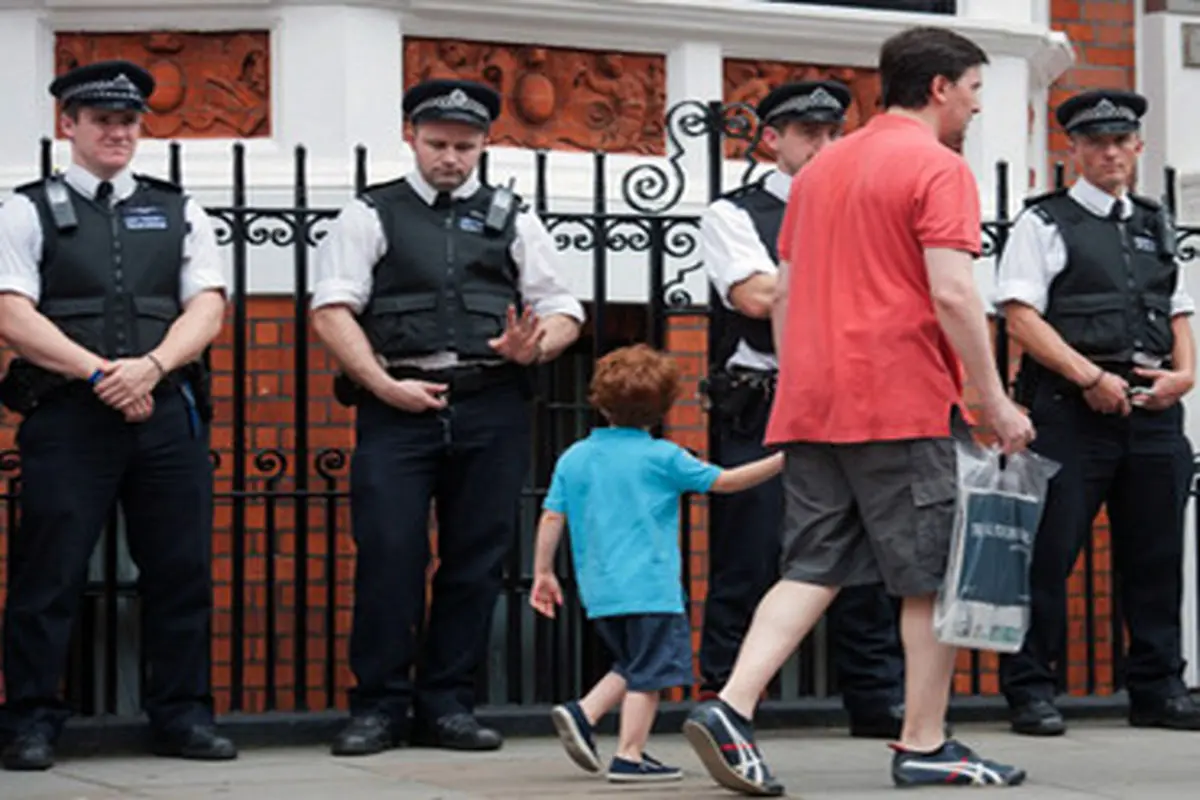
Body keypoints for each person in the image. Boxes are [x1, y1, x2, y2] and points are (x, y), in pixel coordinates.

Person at [682, 26, 1036, 795]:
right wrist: (994, 399)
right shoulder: (938, 167)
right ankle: (925, 742)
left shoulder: (819, 172)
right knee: (929, 578)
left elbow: (786, 291)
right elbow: (953, 293)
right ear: (939, 87)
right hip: (901, 398)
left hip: (812, 399)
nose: (976, 107)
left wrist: (801, 381)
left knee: (812, 566)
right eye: (974, 90)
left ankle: (730, 705)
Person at [311, 78, 585, 756]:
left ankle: (448, 706)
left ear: (485, 143)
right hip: (396, 406)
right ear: (411, 136)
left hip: (490, 400)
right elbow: (332, 309)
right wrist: (383, 385)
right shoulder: (371, 213)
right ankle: (378, 708)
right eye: (437, 144)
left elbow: (564, 310)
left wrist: (534, 347)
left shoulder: (512, 216)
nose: (451, 158)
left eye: (465, 146)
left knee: (476, 560)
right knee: (390, 555)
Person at [0, 60, 234, 770]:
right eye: (101, 120)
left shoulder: (179, 208)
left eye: (127, 121)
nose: (117, 132)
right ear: (67, 125)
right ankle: (31, 721)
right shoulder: (25, 210)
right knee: (49, 572)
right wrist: (101, 372)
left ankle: (183, 716)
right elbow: (11, 313)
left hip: (163, 411)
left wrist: (151, 368)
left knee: (180, 570)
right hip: (69, 413)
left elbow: (208, 306)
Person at [699, 79, 906, 738]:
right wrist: (859, 288)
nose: (824, 145)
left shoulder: (865, 208)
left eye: (833, 132)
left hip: (853, 396)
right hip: (764, 401)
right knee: (750, 552)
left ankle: (876, 699)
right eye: (808, 133)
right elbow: (757, 296)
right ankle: (727, 698)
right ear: (772, 139)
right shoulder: (735, 213)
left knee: (866, 555)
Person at [994, 89, 1200, 736]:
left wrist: (1186, 375)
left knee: (1157, 556)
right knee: (1048, 554)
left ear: (1137, 146)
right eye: (1095, 142)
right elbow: (1019, 315)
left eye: (1120, 141)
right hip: (1070, 408)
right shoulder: (1045, 221)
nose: (1110, 153)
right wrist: (1088, 376)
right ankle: (1032, 690)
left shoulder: (1154, 221)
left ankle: (1158, 689)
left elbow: (1177, 310)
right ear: (1075, 149)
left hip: (1152, 409)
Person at [529, 344, 783, 783]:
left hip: (600, 588)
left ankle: (584, 712)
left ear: (599, 400)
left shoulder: (575, 456)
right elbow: (727, 481)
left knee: (634, 661)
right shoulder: (663, 457)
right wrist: (784, 457)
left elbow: (552, 515)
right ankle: (630, 755)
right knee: (650, 674)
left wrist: (543, 572)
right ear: (663, 407)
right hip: (652, 586)